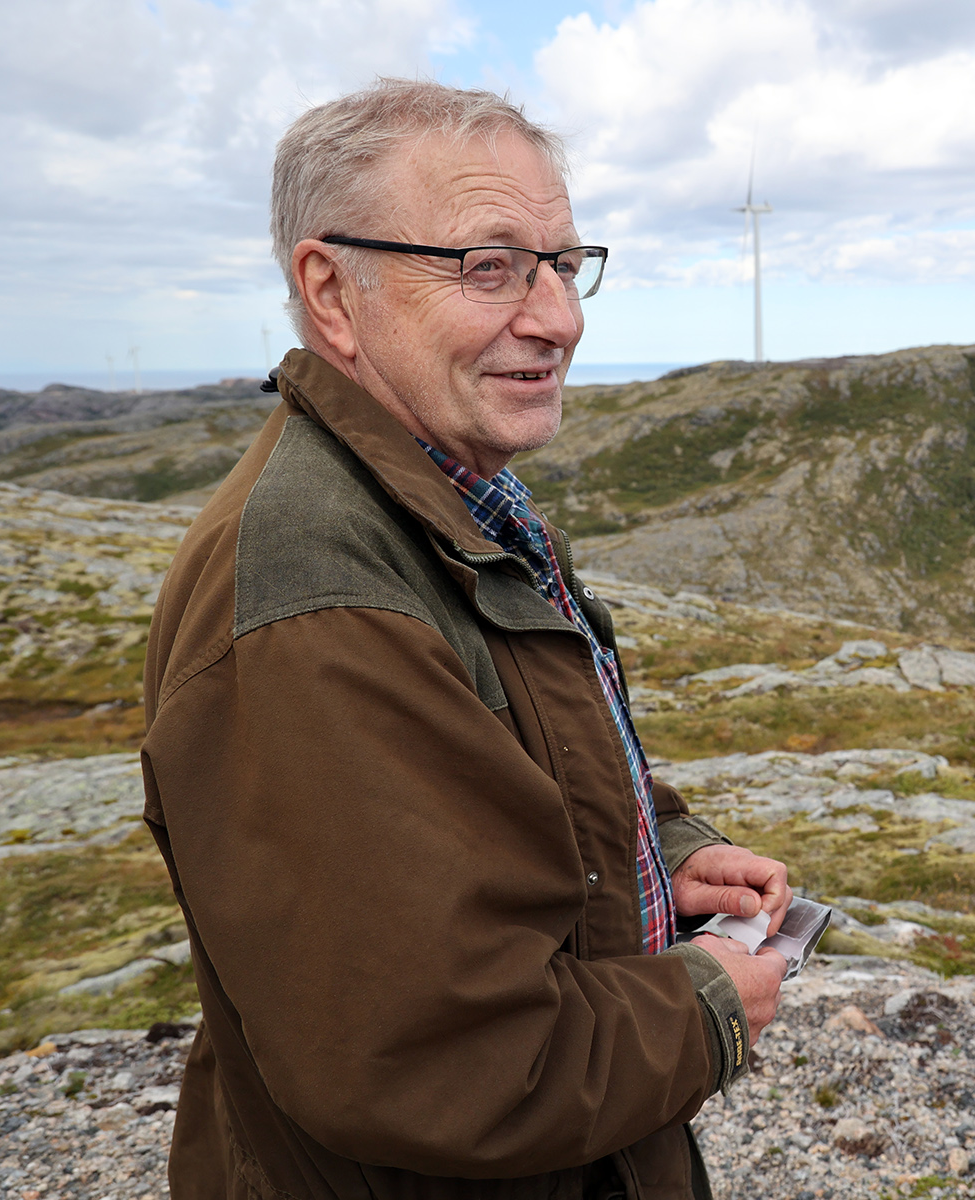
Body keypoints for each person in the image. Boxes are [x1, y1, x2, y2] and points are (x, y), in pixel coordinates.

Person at [140, 79, 790, 1199]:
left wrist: (662, 857)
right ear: (332, 292)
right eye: (488, 267)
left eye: (562, 261)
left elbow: (495, 794)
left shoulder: (465, 502)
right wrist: (711, 1004)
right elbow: (446, 1061)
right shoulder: (320, 597)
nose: (558, 317)